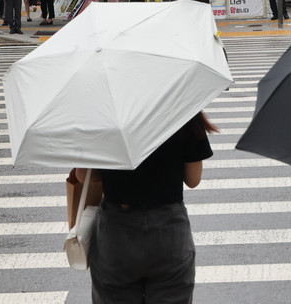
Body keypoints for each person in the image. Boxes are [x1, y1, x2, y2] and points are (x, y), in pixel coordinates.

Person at [75, 112, 216, 304]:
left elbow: (83, 175)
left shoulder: (105, 111)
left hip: (116, 232)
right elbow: (193, 179)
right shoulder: (182, 107)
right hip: (168, 232)